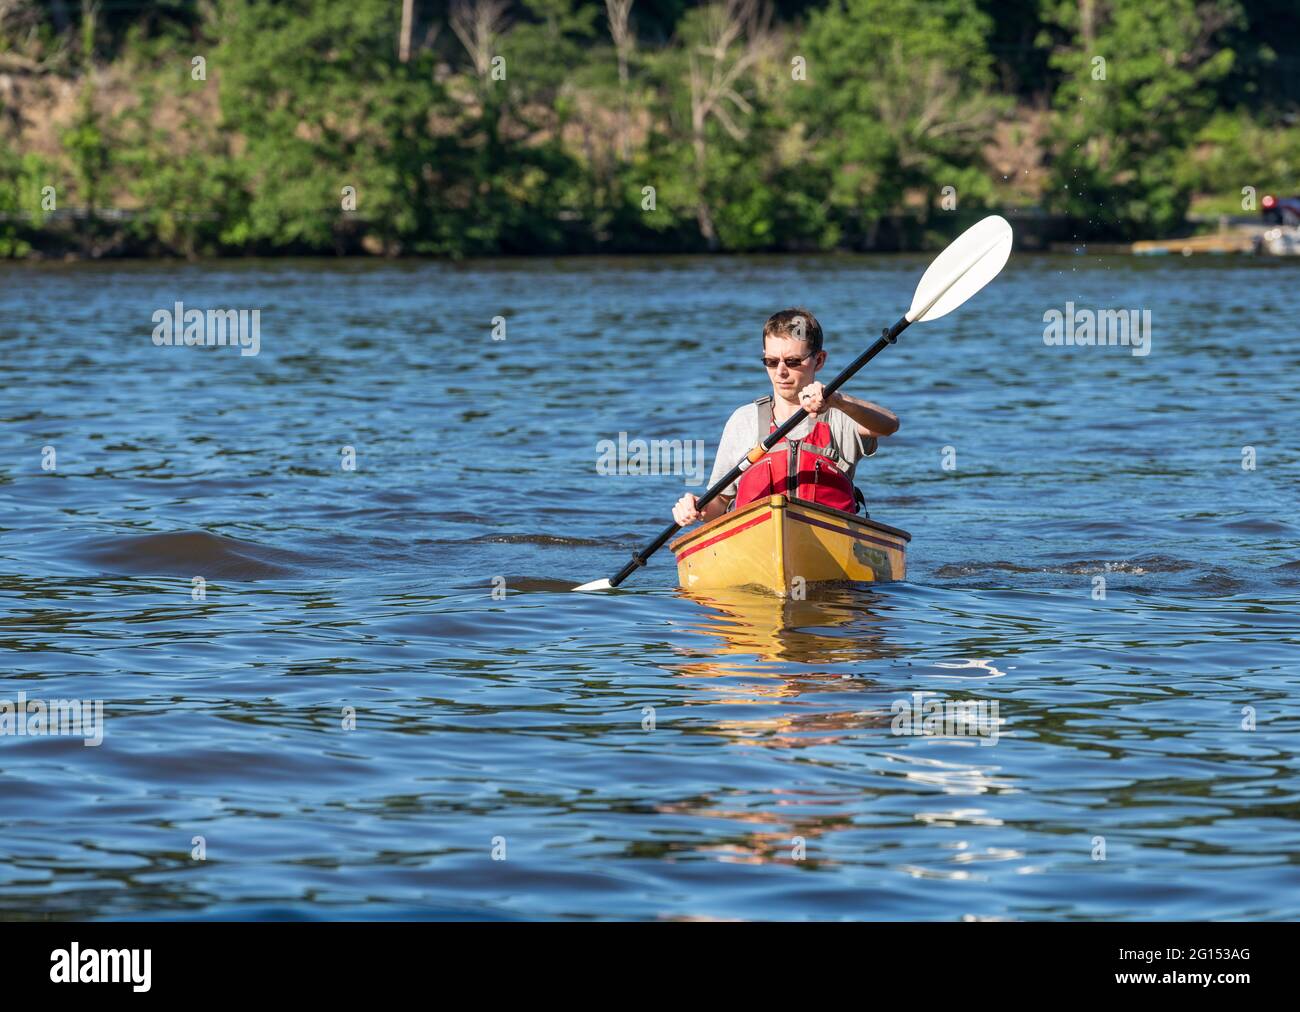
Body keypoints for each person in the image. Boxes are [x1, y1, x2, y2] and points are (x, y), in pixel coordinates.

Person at [672, 308, 899, 527]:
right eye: (771, 362)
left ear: (819, 360)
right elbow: (720, 503)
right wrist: (697, 508)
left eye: (792, 362)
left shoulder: (840, 414)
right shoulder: (744, 420)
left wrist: (838, 400)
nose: (780, 372)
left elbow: (889, 425)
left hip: (831, 538)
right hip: (757, 543)